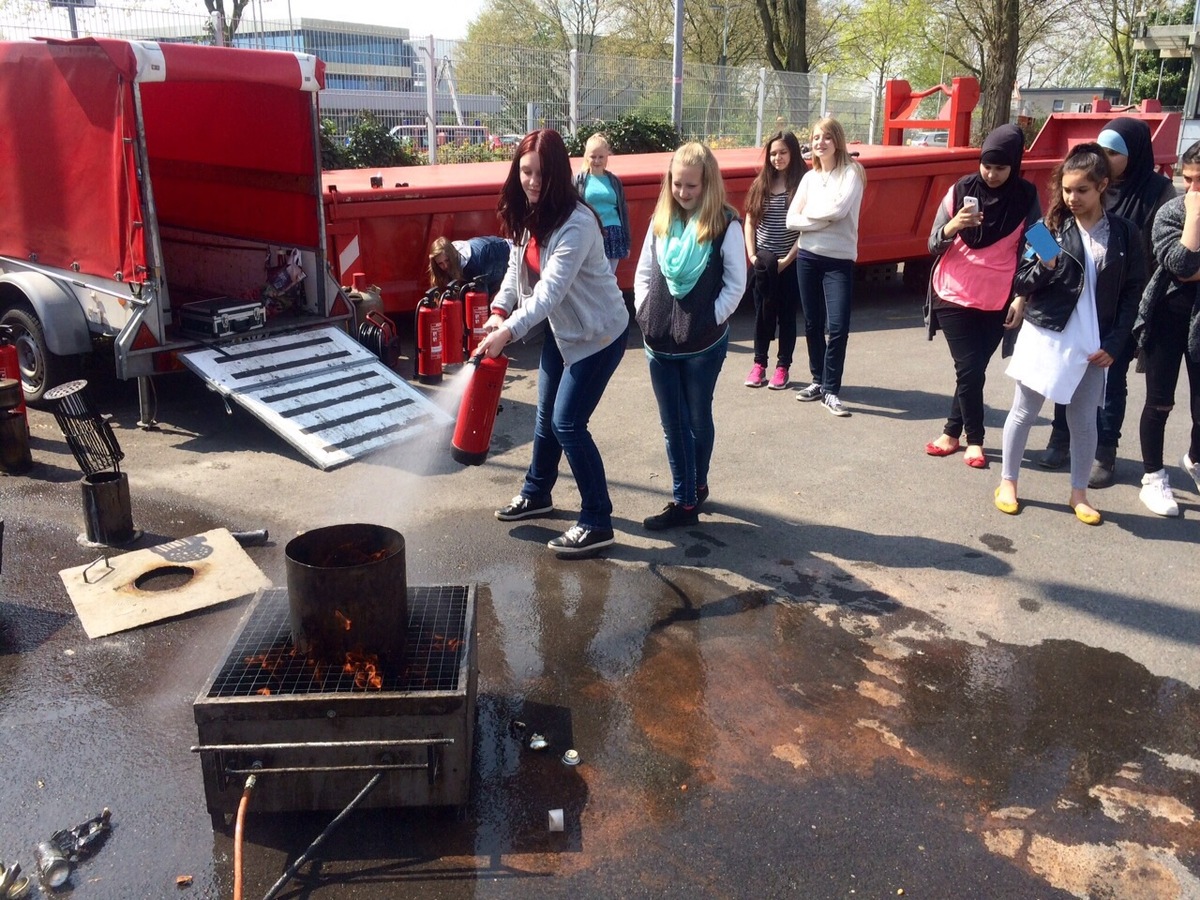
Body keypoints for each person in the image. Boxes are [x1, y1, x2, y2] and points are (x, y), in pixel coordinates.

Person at [474, 129, 630, 557]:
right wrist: (499, 313)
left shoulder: (577, 223)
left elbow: (548, 294)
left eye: (542, 173)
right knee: (546, 416)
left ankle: (598, 520)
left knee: (567, 423)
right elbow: (514, 273)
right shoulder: (528, 213)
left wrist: (508, 333)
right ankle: (537, 493)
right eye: (526, 171)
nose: (533, 181)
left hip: (599, 335)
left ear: (560, 173)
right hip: (564, 333)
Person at [994, 142, 1146, 525]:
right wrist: (1045, 265)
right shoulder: (1048, 229)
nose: (1072, 198)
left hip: (1095, 341)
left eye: (1082, 189)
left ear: (1102, 186)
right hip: (1047, 332)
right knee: (1025, 410)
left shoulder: (1126, 234)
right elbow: (1022, 281)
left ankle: (1078, 494)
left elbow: (1133, 294)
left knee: (1083, 420)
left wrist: (1115, 343)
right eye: (1066, 189)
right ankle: (1007, 482)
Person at [1037, 117, 1175, 485]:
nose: (1103, 156)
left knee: (1110, 381)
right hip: (1073, 308)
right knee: (1067, 373)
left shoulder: (1157, 191)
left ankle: (1105, 451)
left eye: (1113, 152)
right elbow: (1043, 237)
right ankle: (1060, 437)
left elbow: (1155, 252)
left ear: (1135, 155)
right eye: (1100, 148)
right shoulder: (1082, 189)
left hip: (1122, 304)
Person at [634, 141, 746, 530]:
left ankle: (694, 489)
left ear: (708, 184)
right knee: (673, 424)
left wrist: (707, 319)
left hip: (702, 345)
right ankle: (686, 499)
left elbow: (735, 284)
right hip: (659, 340)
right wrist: (644, 311)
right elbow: (645, 271)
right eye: (677, 184)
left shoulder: (725, 224)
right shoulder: (662, 218)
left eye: (691, 186)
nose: (683, 193)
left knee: (697, 419)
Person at [923, 125, 1041, 468]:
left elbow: (1042, 245)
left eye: (1000, 168)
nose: (990, 174)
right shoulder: (960, 190)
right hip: (952, 293)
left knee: (971, 370)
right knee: (969, 367)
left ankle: (950, 434)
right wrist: (953, 226)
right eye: (986, 166)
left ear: (1014, 165)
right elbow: (932, 243)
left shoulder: (1026, 196)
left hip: (999, 299)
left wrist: (1023, 297)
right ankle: (975, 440)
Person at [1131, 140, 1200, 516]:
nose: (1192, 189)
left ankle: (1195, 459)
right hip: (1166, 316)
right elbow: (1180, 264)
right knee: (1159, 401)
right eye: (1187, 179)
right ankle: (1153, 477)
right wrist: (1194, 218)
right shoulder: (1172, 211)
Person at [786, 116, 866, 417]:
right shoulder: (809, 178)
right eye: (816, 137)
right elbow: (790, 220)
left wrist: (812, 218)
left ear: (838, 140)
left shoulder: (853, 173)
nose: (820, 143)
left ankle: (832, 389)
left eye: (827, 137)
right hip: (808, 257)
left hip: (839, 260)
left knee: (839, 326)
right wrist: (823, 220)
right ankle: (818, 380)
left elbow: (840, 209)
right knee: (812, 323)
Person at [743, 130, 807, 390]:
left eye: (782, 152)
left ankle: (783, 367)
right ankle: (759, 365)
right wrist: (752, 256)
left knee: (787, 316)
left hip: (790, 263)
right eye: (772, 153)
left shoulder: (802, 185)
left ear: (792, 153)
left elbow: (806, 230)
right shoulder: (761, 184)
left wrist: (788, 260)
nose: (777, 158)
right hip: (764, 264)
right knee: (761, 314)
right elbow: (749, 221)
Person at [573, 133, 631, 275]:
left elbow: (622, 211)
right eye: (593, 156)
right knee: (591, 277)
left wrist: (627, 242)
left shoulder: (614, 181)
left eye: (601, 157)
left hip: (614, 234)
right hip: (590, 233)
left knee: (609, 278)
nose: (597, 160)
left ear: (607, 157)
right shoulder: (580, 180)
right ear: (587, 156)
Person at [428, 235, 512, 296]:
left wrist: (498, 292)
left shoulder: (475, 262)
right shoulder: (451, 258)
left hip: (506, 253)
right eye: (440, 263)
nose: (445, 266)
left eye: (447, 260)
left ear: (452, 256)